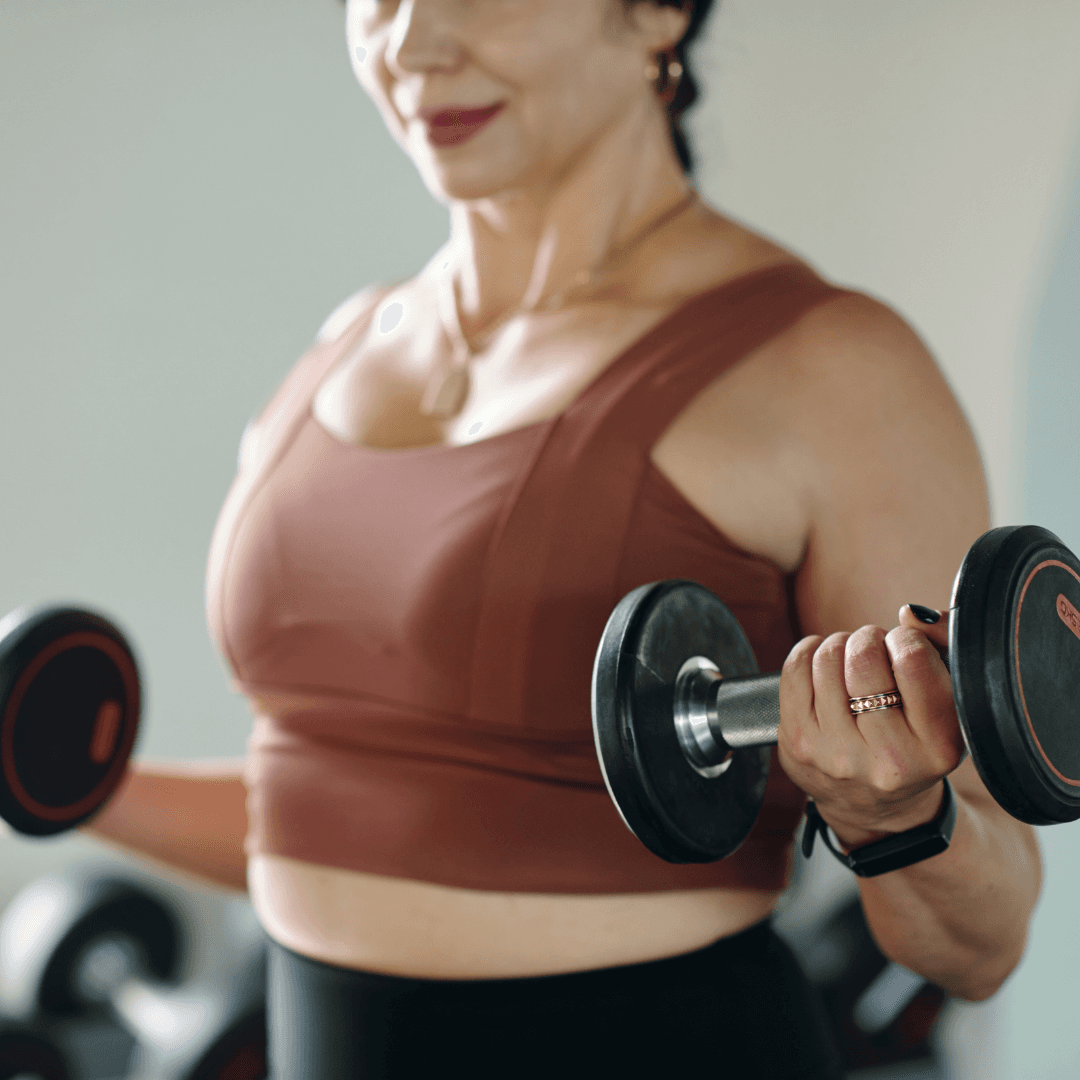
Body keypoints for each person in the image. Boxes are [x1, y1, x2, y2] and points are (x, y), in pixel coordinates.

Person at [85, 0, 1042, 1076]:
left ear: (654, 14)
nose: (412, 45)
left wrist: (895, 813)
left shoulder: (832, 370)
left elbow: (986, 942)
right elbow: (333, 811)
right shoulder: (347, 342)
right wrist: (75, 780)